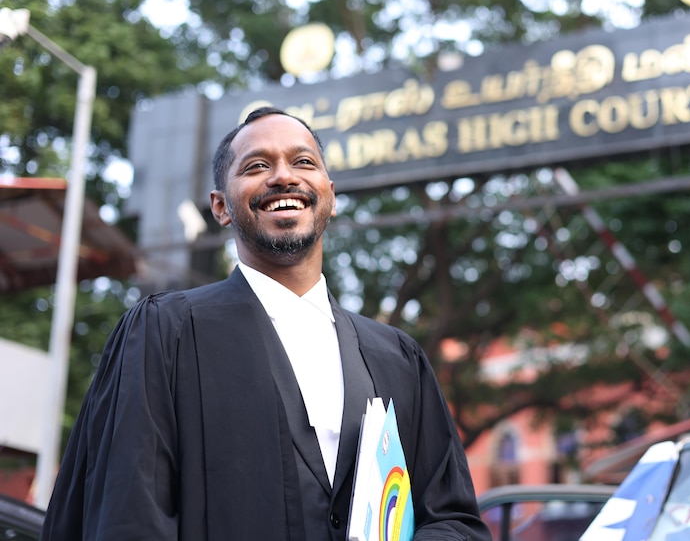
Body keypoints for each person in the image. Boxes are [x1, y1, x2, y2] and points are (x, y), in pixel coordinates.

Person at [40, 106, 491, 541]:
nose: (283, 176)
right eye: (256, 165)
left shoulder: (397, 359)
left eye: (303, 161)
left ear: (329, 196)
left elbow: (452, 517)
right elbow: (128, 514)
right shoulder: (167, 333)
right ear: (220, 207)